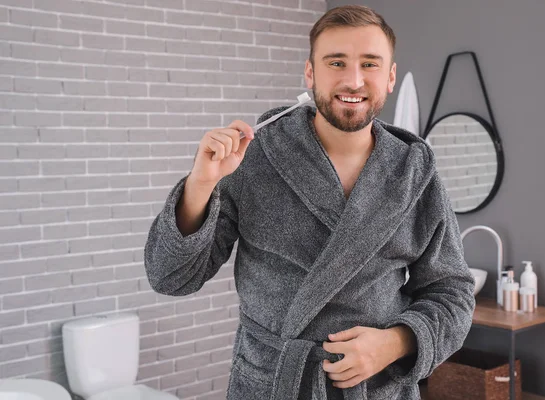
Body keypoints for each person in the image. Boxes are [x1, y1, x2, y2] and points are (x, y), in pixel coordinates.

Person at [144, 5, 475, 400]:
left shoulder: (415, 175)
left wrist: (396, 343)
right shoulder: (257, 157)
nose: (353, 81)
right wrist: (200, 184)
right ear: (310, 72)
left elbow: (452, 293)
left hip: (375, 390)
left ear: (389, 77)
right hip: (270, 385)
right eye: (337, 62)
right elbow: (170, 277)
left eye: (369, 64)